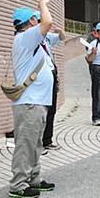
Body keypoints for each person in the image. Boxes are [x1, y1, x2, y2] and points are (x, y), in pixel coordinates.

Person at [9, 0, 56, 198]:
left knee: (35, 143)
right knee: (25, 143)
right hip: (30, 102)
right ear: (31, 21)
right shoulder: (25, 37)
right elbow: (48, 24)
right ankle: (18, 183)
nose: (39, 21)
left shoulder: (29, 39)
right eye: (35, 18)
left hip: (37, 101)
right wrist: (42, 3)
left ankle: (33, 178)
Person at [33, 11, 65, 151]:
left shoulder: (46, 38)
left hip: (51, 75)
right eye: (40, 21)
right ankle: (37, 141)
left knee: (51, 110)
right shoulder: (32, 38)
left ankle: (47, 140)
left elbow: (61, 38)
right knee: (40, 111)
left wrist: (61, 31)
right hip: (38, 80)